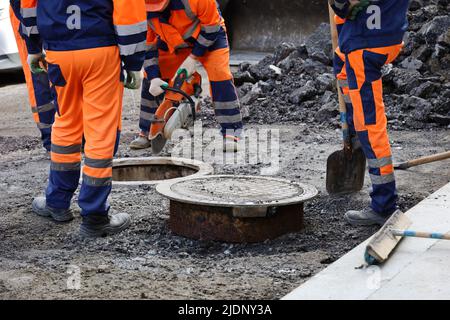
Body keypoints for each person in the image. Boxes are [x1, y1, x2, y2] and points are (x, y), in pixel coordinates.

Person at [21, 0, 147, 236]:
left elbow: (27, 5)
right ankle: (95, 216)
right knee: (100, 130)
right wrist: (134, 63)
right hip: (100, 51)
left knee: (66, 122)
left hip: (59, 53)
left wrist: (34, 47)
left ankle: (56, 202)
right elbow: (129, 10)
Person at [329, 0, 410, 226]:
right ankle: (355, 133)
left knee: (370, 125)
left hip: (366, 44)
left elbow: (345, 5)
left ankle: (384, 204)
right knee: (341, 64)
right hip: (384, 34)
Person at [130, 0, 243, 152]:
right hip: (171, 40)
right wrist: (154, 76)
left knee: (220, 74)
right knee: (151, 80)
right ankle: (146, 131)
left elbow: (212, 27)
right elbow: (147, 44)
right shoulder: (139, 6)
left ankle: (231, 133)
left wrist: (193, 58)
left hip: (208, 36)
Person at [9, 0, 54, 152]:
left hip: (49, 14)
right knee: (39, 78)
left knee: (59, 77)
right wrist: (33, 44)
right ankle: (51, 137)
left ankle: (61, 136)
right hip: (30, 16)